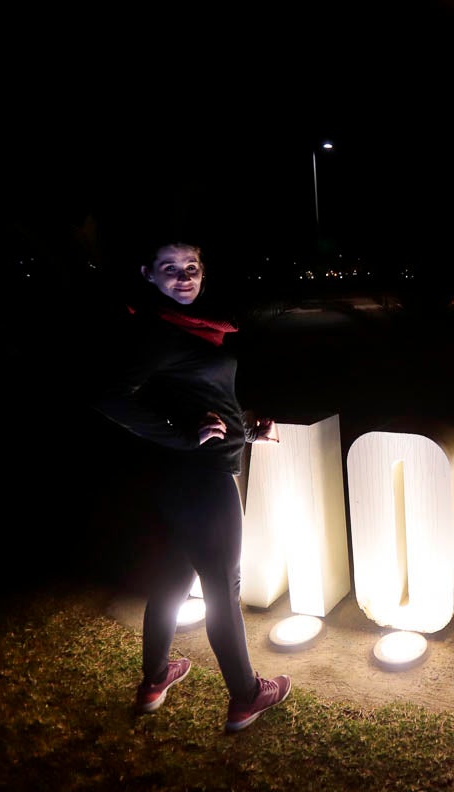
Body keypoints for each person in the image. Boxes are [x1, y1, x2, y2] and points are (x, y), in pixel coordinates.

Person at [90, 242, 292, 733]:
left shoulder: (187, 327)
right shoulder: (156, 332)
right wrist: (182, 435)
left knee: (171, 580)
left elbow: (200, 398)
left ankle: (154, 680)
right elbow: (108, 397)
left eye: (191, 267)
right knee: (223, 587)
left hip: (179, 478)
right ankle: (246, 696)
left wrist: (246, 430)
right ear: (147, 273)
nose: (183, 277)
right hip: (199, 477)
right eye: (170, 268)